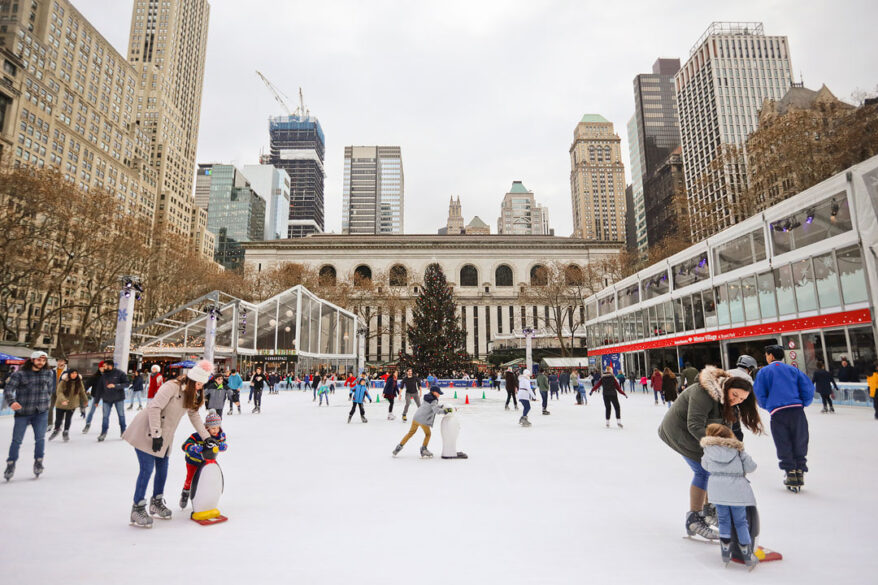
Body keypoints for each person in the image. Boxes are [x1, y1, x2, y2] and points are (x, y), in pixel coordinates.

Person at [658, 366, 763, 540]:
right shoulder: (704, 393)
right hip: (679, 431)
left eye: (742, 399)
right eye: (735, 395)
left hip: (699, 433)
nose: (737, 400)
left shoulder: (727, 402)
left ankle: (708, 510)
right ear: (727, 385)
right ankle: (694, 518)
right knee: (703, 470)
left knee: (714, 467)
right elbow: (694, 425)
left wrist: (732, 447)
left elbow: (725, 428)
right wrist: (717, 445)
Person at [123, 360, 212, 528]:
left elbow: (194, 415)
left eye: (202, 384)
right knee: (147, 470)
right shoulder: (172, 386)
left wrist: (207, 437)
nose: (200, 387)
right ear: (192, 380)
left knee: (162, 470)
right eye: (199, 383)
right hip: (147, 431)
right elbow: (154, 407)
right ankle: (137, 508)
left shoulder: (192, 393)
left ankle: (156, 502)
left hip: (165, 436)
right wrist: (156, 434)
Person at [753, 345, 815, 492]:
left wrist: (768, 406)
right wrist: (803, 403)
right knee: (800, 439)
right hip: (797, 410)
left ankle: (790, 472)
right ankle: (799, 470)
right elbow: (807, 388)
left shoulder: (764, 372)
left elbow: (759, 393)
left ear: (770, 355)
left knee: (783, 441)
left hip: (778, 412)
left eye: (766, 354)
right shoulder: (793, 370)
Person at [700, 424, 759, 569]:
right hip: (737, 490)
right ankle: (747, 552)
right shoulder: (738, 450)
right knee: (740, 522)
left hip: (718, 490)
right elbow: (751, 467)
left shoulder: (708, 451)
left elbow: (705, 466)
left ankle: (725, 551)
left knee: (724, 520)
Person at [3, 351, 55, 481]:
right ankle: (11, 463)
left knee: (40, 439)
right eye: (38, 360)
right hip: (23, 412)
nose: (41, 363)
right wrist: (12, 401)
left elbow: (50, 390)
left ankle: (38, 461)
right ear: (32, 360)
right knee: (16, 440)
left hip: (41, 412)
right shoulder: (19, 374)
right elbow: (8, 389)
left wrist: (46, 402)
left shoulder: (49, 373)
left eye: (43, 360)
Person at [179, 410, 228, 509]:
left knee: (207, 480)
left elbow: (223, 444)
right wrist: (193, 447)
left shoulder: (220, 435)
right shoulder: (197, 436)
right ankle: (185, 493)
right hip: (193, 461)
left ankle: (205, 498)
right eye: (213, 428)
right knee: (190, 478)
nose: (216, 430)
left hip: (207, 462)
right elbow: (184, 446)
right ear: (206, 428)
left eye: (218, 427)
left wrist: (223, 446)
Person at [392, 386, 448, 458]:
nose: (439, 395)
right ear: (434, 392)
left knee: (410, 433)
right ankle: (424, 449)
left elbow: (431, 406)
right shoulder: (434, 400)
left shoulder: (427, 396)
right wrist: (444, 411)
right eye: (438, 393)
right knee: (428, 434)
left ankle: (398, 448)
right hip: (423, 420)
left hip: (416, 418)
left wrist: (440, 406)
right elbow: (435, 410)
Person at [95, 360, 130, 442]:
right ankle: (103, 433)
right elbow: (99, 388)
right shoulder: (103, 375)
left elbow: (127, 383)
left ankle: (123, 431)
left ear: (110, 366)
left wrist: (115, 385)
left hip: (118, 398)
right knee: (105, 417)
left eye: (104, 366)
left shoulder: (120, 373)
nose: (103, 367)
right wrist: (96, 400)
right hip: (107, 399)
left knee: (121, 415)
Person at [49, 369, 88, 441]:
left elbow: (82, 392)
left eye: (75, 373)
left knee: (68, 419)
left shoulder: (79, 382)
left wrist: (85, 400)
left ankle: (66, 431)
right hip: (61, 404)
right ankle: (56, 430)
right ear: (69, 374)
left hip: (71, 404)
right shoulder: (63, 382)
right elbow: (59, 392)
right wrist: (63, 400)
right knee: (58, 419)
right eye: (72, 373)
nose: (74, 375)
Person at [82, 365, 103, 433]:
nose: (103, 369)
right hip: (96, 396)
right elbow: (87, 384)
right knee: (91, 411)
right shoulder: (95, 377)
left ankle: (104, 428)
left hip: (106, 397)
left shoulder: (109, 376)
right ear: (99, 368)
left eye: (104, 367)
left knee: (106, 413)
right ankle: (87, 424)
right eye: (101, 367)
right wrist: (84, 391)